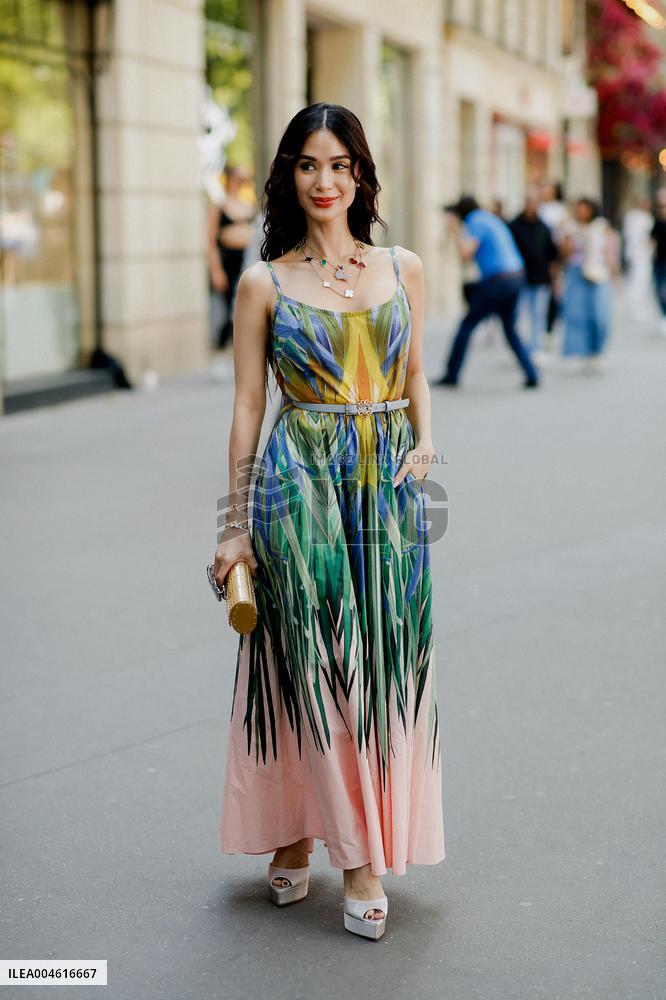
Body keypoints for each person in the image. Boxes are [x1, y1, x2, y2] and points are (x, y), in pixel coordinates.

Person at [212, 103, 445, 941]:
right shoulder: (263, 284)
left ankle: (299, 829)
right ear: (289, 175)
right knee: (311, 661)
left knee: (379, 660)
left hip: (387, 487)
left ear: (360, 175)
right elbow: (248, 407)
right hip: (297, 481)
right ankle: (356, 859)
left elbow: (414, 373)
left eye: (339, 165)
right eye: (308, 165)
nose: (324, 180)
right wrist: (234, 525)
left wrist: (426, 441)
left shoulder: (403, 267)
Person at [432, 195, 539, 388]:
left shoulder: (476, 221)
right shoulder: (489, 218)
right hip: (516, 277)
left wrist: (454, 230)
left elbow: (465, 254)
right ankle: (532, 374)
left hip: (499, 280)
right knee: (510, 329)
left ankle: (451, 375)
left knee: (466, 325)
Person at [559, 197, 617, 372]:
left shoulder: (601, 226)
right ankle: (584, 352)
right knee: (578, 314)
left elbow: (610, 251)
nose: (582, 212)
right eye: (579, 208)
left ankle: (597, 351)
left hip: (598, 272)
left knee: (599, 315)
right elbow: (565, 253)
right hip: (576, 272)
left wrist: (614, 272)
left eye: (585, 208)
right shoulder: (571, 228)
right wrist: (567, 235)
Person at [207, 164, 257, 350]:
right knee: (229, 308)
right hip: (227, 261)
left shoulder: (248, 205)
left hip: (246, 259)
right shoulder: (219, 207)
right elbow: (210, 241)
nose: (237, 183)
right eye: (234, 179)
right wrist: (216, 270)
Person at [510, 189, 558, 362]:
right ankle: (519, 349)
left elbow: (552, 256)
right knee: (519, 316)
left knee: (539, 314)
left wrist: (555, 280)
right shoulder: (514, 226)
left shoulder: (544, 227)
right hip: (519, 278)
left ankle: (536, 348)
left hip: (541, 279)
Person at [538, 181, 568, 340]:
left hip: (553, 255)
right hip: (538, 256)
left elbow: (562, 235)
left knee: (553, 292)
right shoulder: (538, 208)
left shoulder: (559, 210)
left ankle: (549, 327)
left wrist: (559, 259)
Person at [622, 196, 654, 317]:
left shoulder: (634, 217)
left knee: (640, 279)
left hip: (640, 253)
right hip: (639, 253)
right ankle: (635, 305)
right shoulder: (638, 217)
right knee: (638, 280)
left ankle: (637, 304)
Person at [650, 189, 666, 335]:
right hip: (660, 261)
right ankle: (664, 315)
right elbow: (652, 240)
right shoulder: (657, 221)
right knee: (659, 289)